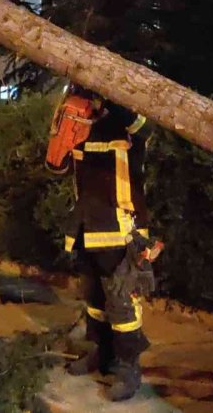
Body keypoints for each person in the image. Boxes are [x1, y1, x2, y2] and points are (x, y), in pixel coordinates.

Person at [49, 86, 159, 402]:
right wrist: (59, 134)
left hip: (122, 228)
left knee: (123, 302)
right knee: (95, 299)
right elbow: (57, 167)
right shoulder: (82, 119)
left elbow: (143, 126)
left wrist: (106, 92)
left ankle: (128, 368)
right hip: (85, 225)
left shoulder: (132, 123)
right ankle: (102, 352)